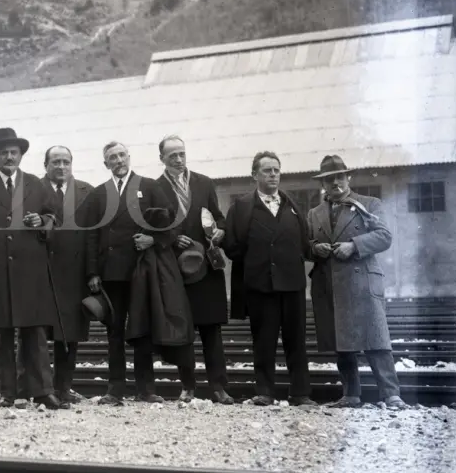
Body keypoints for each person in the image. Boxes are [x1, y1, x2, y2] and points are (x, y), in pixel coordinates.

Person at [85, 141, 194, 405]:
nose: (118, 160)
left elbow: (171, 224)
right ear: (106, 164)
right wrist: (92, 272)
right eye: (112, 157)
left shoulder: (149, 186)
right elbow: (90, 236)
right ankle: (115, 390)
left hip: (144, 269)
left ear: (129, 157)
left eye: (122, 155)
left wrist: (153, 241)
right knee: (115, 332)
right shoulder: (98, 194)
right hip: (112, 272)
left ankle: (146, 389)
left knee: (143, 329)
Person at [0, 128, 62, 410]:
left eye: (13, 152)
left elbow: (54, 218)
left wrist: (40, 221)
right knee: (2, 335)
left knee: (35, 333)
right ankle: (9, 391)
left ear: (20, 155)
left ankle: (44, 391)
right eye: (3, 152)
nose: (9, 157)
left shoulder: (36, 184)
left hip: (31, 271)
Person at [307, 155, 406, 409]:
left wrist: (354, 245)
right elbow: (305, 245)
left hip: (362, 282)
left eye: (340, 177)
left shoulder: (369, 204)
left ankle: (391, 394)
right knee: (343, 344)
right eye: (329, 179)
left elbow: (384, 236)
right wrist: (315, 248)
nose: (335, 182)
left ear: (348, 177)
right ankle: (351, 395)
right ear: (323, 183)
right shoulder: (314, 213)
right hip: (331, 284)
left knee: (376, 338)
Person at [223, 151, 315, 407]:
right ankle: (264, 391)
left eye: (276, 170)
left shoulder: (291, 203)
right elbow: (232, 246)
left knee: (296, 340)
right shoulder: (241, 207)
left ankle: (301, 394)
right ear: (255, 175)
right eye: (267, 170)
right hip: (260, 286)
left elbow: (304, 241)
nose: (273, 174)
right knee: (263, 341)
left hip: (292, 284)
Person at [156, 135, 233, 404]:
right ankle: (188, 386)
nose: (178, 159)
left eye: (181, 154)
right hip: (176, 270)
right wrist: (173, 238)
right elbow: (154, 227)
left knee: (211, 329)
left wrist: (220, 231)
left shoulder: (204, 182)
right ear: (162, 159)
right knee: (183, 329)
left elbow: (218, 216)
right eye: (172, 155)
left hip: (206, 266)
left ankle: (218, 387)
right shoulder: (156, 188)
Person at [40, 145, 94, 406]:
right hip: (42, 272)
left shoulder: (86, 191)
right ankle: (40, 387)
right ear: (46, 165)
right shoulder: (33, 190)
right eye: (55, 161)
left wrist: (93, 271)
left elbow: (94, 235)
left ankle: (64, 387)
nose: (61, 166)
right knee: (38, 334)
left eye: (66, 161)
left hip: (75, 273)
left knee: (69, 335)